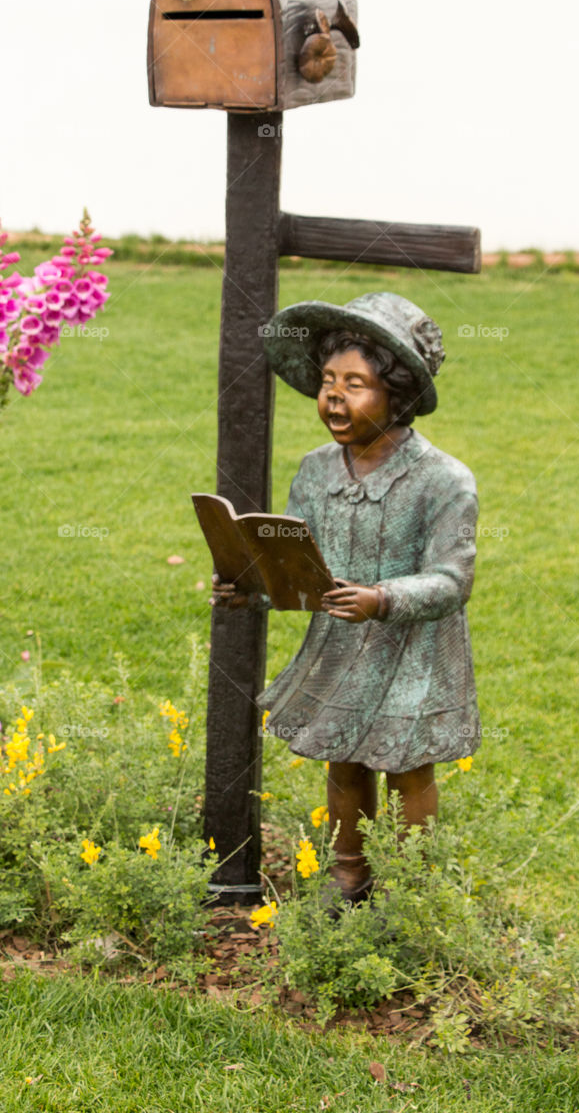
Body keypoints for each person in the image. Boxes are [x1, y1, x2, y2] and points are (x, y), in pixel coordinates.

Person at [213, 292, 480, 904]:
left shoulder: (444, 481)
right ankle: (349, 872)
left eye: (355, 383)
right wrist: (248, 587)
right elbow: (297, 566)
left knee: (407, 768)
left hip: (413, 653)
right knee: (344, 763)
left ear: (399, 392)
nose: (334, 395)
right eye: (328, 381)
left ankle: (411, 887)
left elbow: (452, 578)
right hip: (340, 647)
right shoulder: (314, 472)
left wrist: (383, 597)